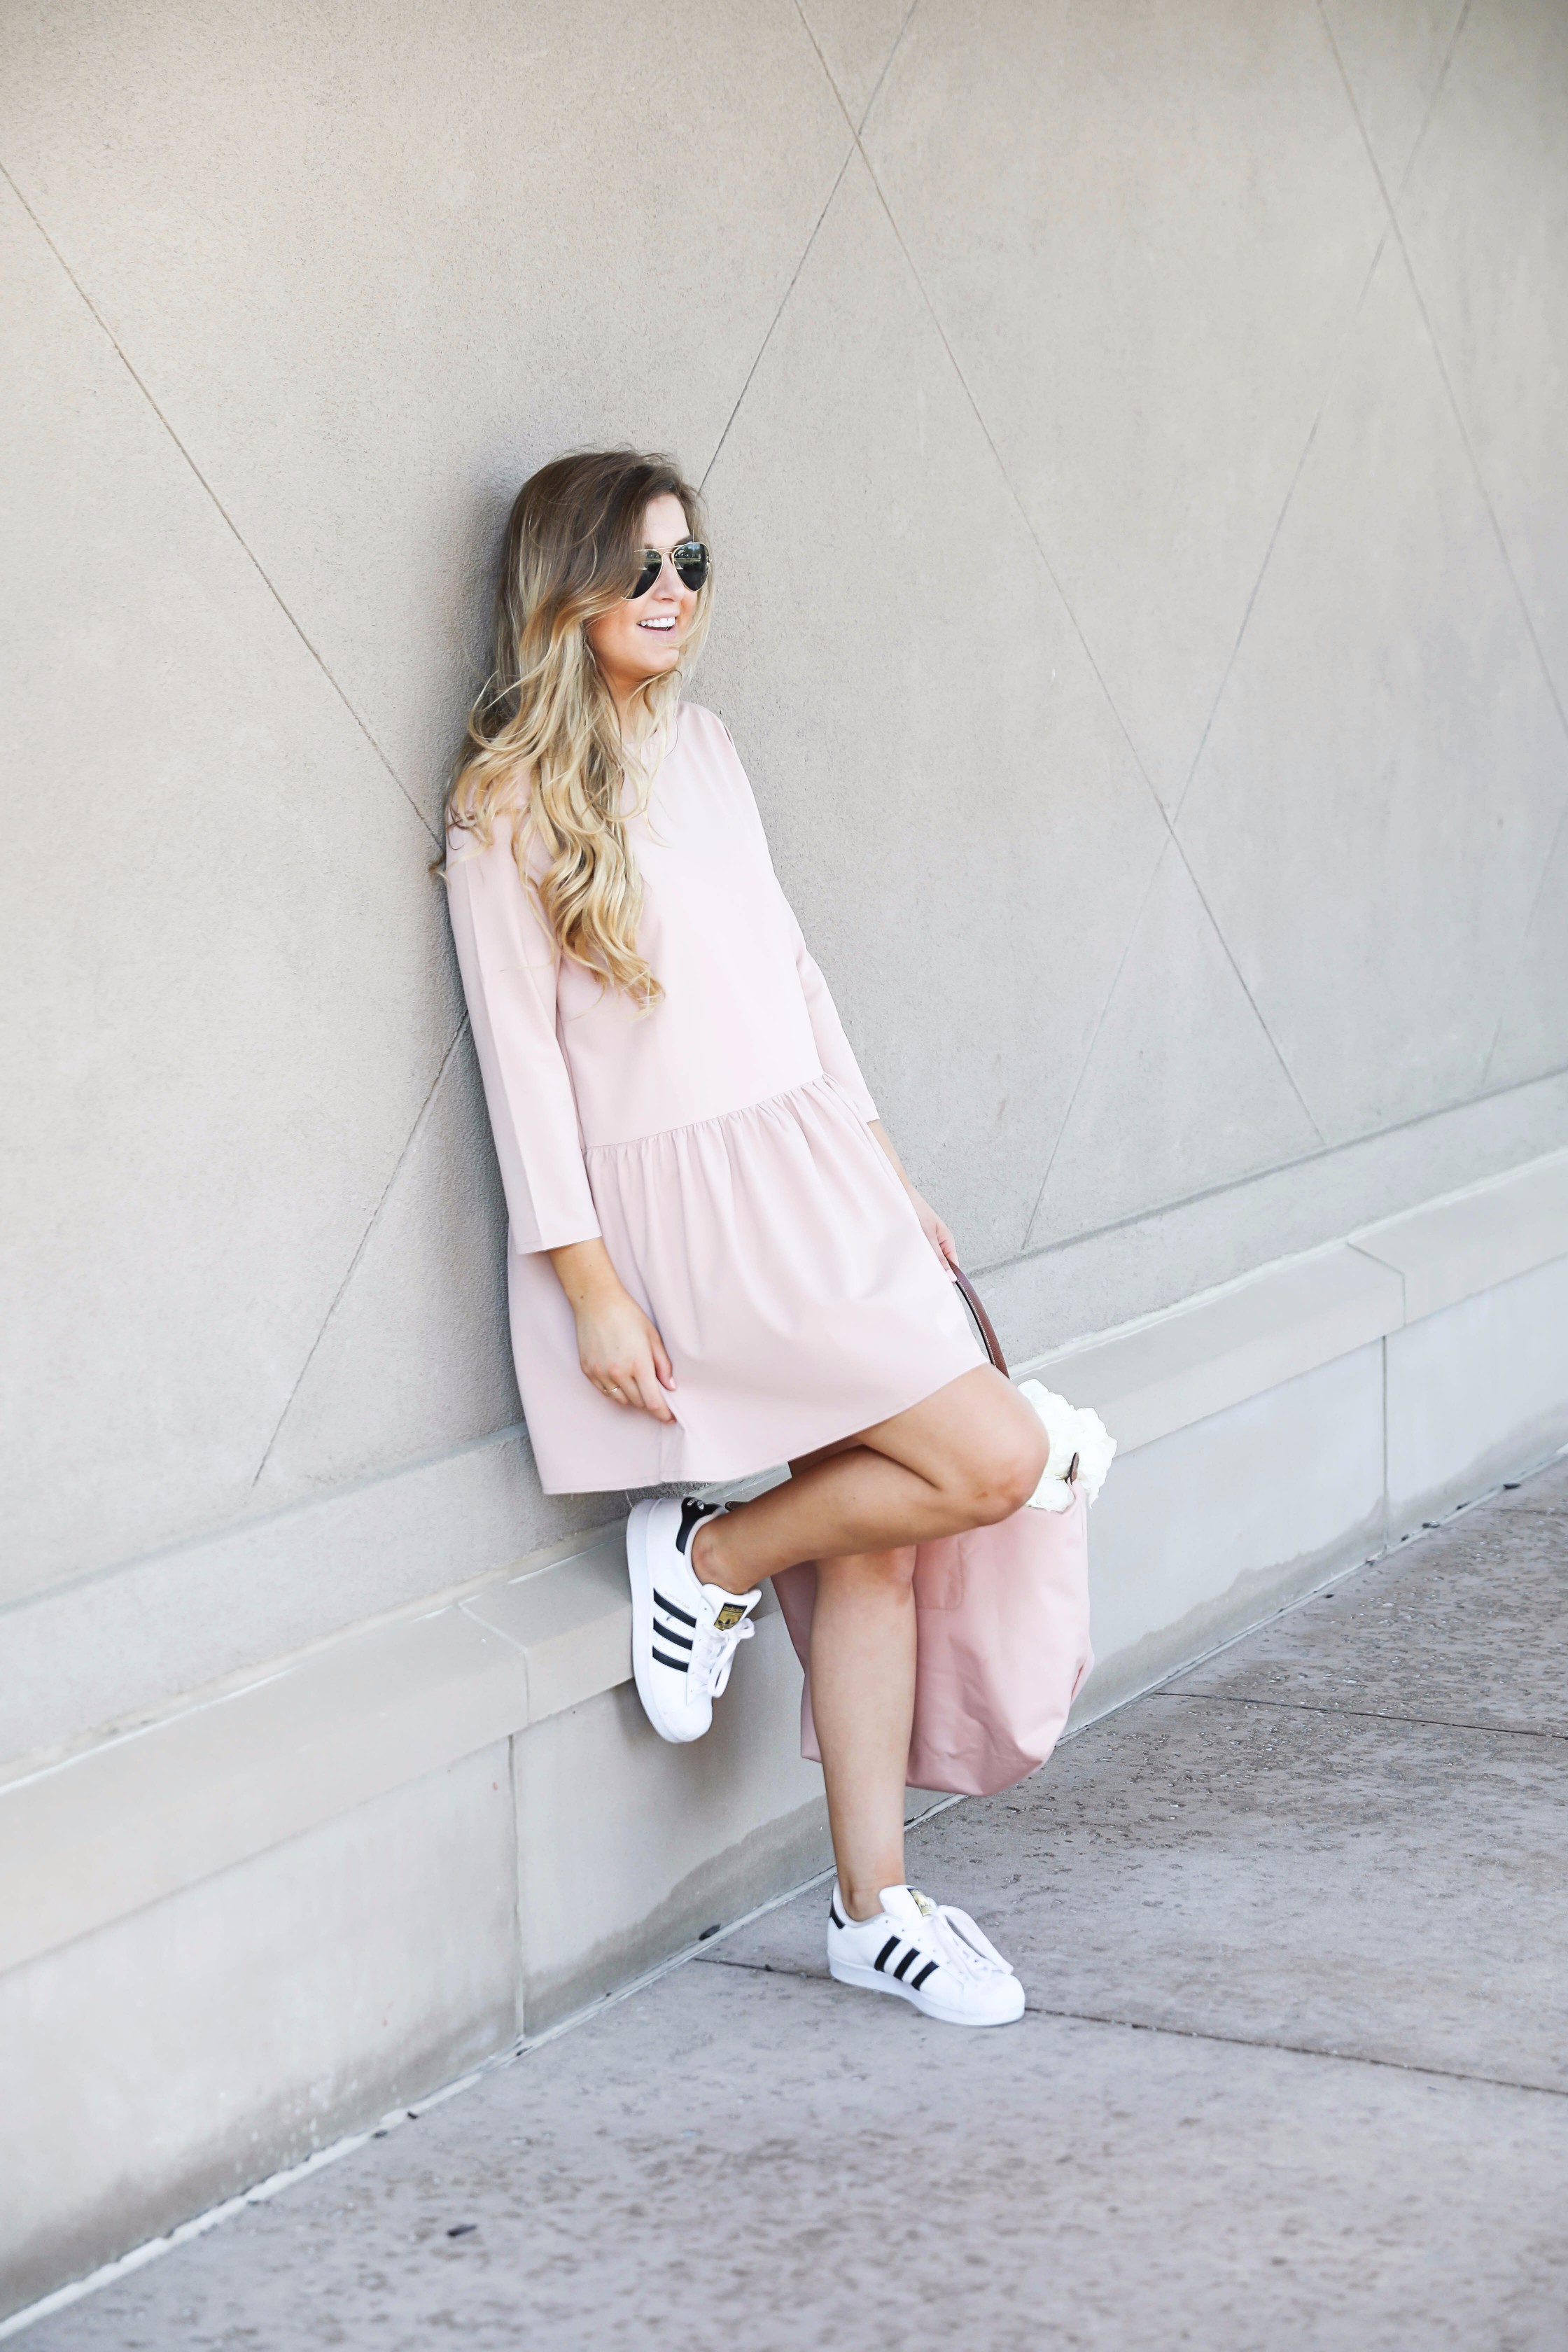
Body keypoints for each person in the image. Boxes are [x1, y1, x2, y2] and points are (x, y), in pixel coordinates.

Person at [444, 450, 1049, 2026]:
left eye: (692, 565)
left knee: (893, 1526)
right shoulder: (504, 801)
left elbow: (796, 982)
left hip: (814, 1170)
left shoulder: (707, 750)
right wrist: (584, 1280)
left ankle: (876, 1905)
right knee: (985, 1457)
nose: (673, 595)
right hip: (686, 1210)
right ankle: (708, 1558)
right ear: (565, 585)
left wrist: (884, 1174)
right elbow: (522, 1071)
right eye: (642, 567)